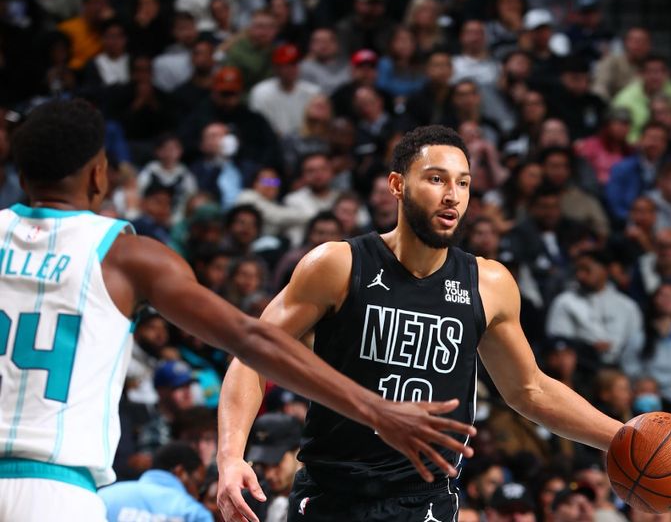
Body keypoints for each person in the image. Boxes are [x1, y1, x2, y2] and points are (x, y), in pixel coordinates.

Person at [0, 100, 476, 521]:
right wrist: (377, 409)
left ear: (20, 175)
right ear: (99, 175)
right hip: (56, 488)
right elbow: (249, 341)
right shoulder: (126, 256)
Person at [216, 125, 626, 522]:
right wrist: (231, 457)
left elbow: (530, 390)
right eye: (436, 179)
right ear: (397, 184)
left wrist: (622, 439)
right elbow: (252, 357)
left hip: (425, 502)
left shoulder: (490, 283)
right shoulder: (338, 265)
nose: (452, 197)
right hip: (333, 493)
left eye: (463, 184)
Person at [100, 441, 212, 522]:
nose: (197, 496)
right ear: (180, 472)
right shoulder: (192, 512)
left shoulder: (105, 497)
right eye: (198, 485)